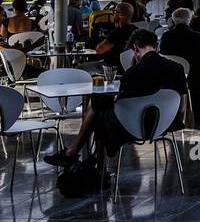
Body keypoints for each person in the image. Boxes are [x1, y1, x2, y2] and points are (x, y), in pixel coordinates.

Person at [44, 29, 187, 165]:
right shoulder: (178, 68)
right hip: (166, 124)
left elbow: (121, 105)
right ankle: (76, 154)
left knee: (98, 110)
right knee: (99, 104)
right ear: (156, 46)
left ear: (135, 48)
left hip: (132, 126)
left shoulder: (132, 74)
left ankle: (93, 165)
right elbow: (181, 108)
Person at [160, 8, 200, 125]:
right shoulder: (199, 37)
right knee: (196, 76)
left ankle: (173, 112)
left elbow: (163, 54)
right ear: (189, 20)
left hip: (170, 75)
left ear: (173, 20)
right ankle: (198, 113)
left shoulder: (165, 36)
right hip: (195, 76)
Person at [94, 3, 135, 70]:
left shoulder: (117, 33)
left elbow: (99, 50)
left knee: (81, 67)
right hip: (129, 67)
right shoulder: (136, 30)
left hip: (112, 67)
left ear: (120, 14)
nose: (113, 14)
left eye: (115, 12)